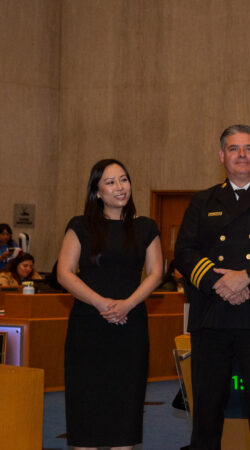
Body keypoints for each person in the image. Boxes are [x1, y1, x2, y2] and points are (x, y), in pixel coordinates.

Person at [174, 124, 250, 449]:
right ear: (221, 155)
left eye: (249, 148)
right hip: (211, 317)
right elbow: (184, 252)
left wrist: (247, 277)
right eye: (234, 148)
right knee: (207, 411)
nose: (242, 155)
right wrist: (218, 282)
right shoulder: (202, 201)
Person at [57, 159, 163, 449]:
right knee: (86, 402)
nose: (120, 187)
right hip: (88, 327)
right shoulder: (80, 225)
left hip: (131, 326)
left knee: (125, 403)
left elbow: (156, 273)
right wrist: (101, 303)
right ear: (97, 191)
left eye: (124, 179)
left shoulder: (146, 227)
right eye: (111, 182)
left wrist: (127, 304)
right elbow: (64, 273)